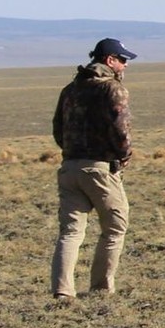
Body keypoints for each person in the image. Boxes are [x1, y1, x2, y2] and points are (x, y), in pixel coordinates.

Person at [50, 37, 137, 299]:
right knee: (114, 228)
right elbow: (121, 129)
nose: (125, 66)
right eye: (122, 60)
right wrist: (123, 156)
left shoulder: (70, 89)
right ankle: (101, 289)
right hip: (100, 170)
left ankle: (62, 292)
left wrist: (72, 151)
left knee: (70, 232)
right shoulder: (112, 89)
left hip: (70, 168)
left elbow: (58, 129)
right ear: (109, 60)